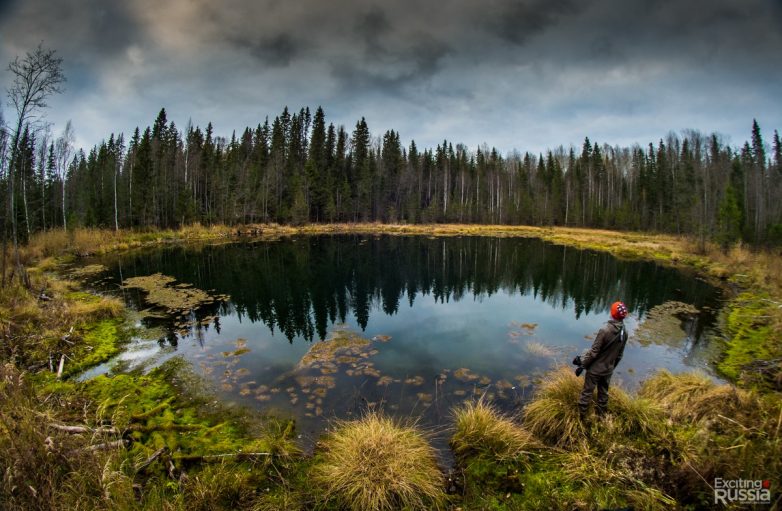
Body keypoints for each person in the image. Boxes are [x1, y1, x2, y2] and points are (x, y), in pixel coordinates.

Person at [573, 301, 628, 420]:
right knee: (603, 394)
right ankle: (601, 417)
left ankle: (582, 419)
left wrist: (582, 365)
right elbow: (619, 355)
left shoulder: (605, 330)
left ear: (613, 314)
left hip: (595, 370)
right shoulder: (624, 332)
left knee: (587, 393)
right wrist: (611, 367)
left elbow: (593, 352)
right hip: (608, 369)